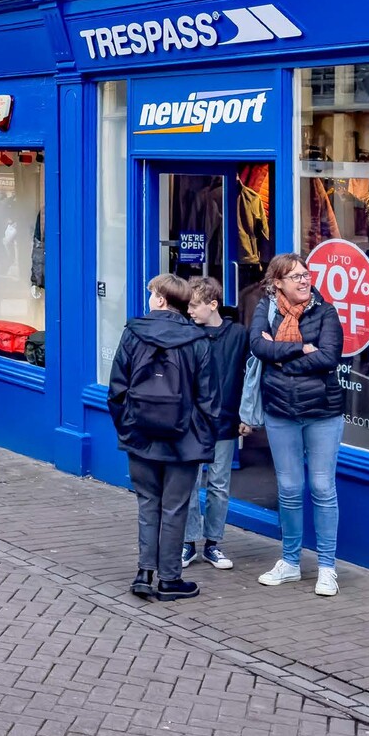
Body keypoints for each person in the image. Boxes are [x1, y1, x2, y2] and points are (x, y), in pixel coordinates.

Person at [108, 273, 220, 602]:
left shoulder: (133, 334)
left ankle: (144, 572)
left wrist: (129, 427)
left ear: (160, 300)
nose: (148, 298)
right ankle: (170, 579)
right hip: (183, 440)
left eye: (151, 293)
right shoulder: (198, 340)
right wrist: (200, 438)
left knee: (147, 504)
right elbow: (209, 400)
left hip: (140, 435)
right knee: (175, 508)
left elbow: (117, 390)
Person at [248, 253, 347, 596]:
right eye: (295, 277)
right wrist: (299, 350)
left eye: (306, 275)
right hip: (280, 411)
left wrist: (280, 356)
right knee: (289, 490)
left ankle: (327, 568)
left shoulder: (326, 312)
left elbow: (329, 357)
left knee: (322, 488)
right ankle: (290, 562)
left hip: (323, 411)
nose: (305, 281)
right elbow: (257, 345)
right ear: (278, 283)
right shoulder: (266, 308)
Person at [183, 275, 250, 571]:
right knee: (188, 484)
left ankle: (212, 543)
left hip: (224, 419)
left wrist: (246, 415)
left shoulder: (238, 335)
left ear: (213, 305)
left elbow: (249, 377)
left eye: (195, 305)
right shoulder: (187, 333)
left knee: (219, 485)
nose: (189, 311)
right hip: (192, 421)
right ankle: (188, 542)